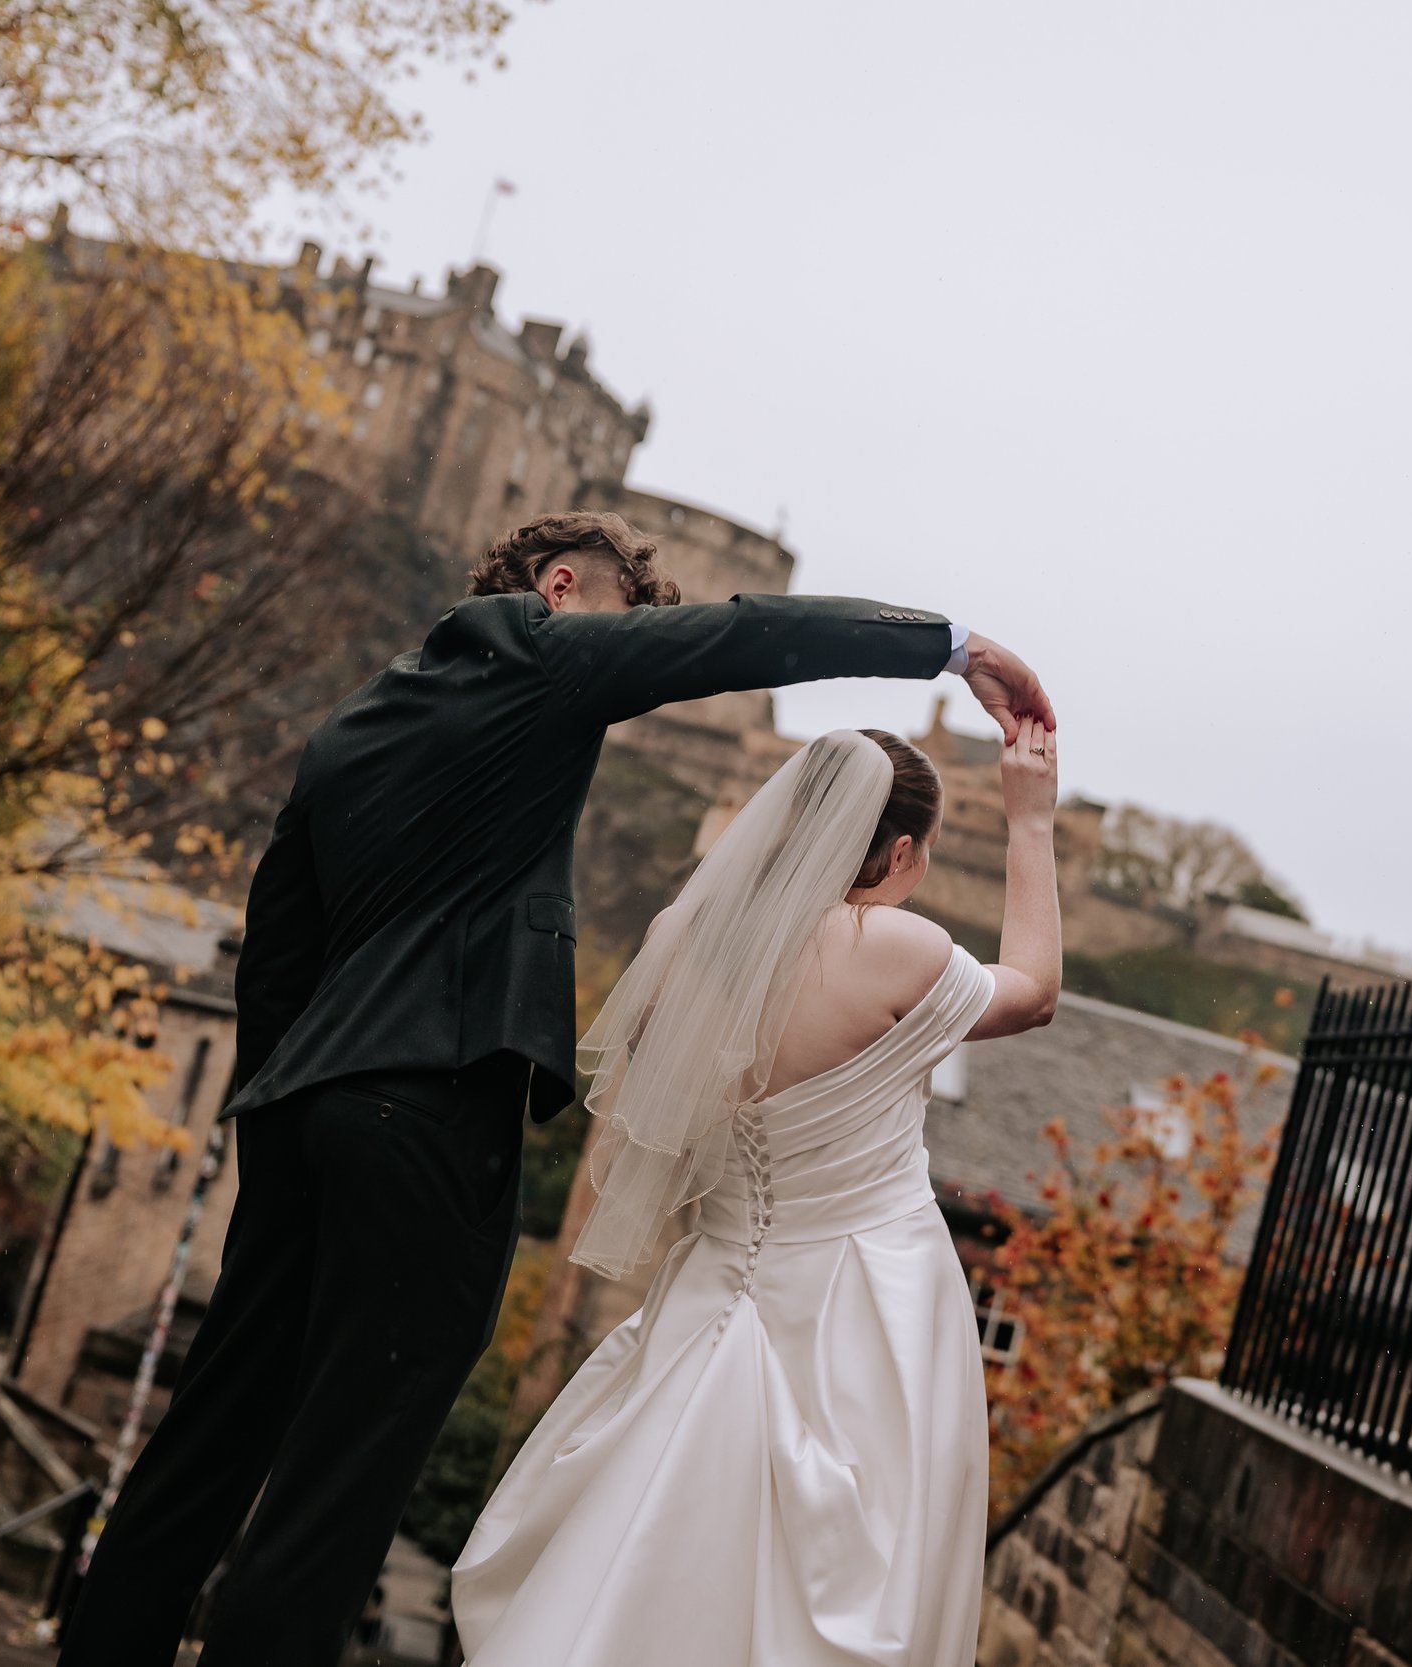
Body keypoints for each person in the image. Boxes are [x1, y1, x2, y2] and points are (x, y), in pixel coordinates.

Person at [55, 511, 1053, 1667]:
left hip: (302, 1107)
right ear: (565, 584)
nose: (630, 649)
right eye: (629, 620)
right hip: (430, 1114)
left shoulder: (350, 726)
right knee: (342, 1471)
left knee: (210, 1431)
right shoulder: (539, 650)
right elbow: (736, 636)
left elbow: (275, 952)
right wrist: (950, 643)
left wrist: (280, 1105)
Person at [451, 719, 1063, 1666]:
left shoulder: (683, 937)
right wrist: (1030, 821)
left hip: (709, 1287)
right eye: (925, 854)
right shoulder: (893, 948)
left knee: (641, 1539)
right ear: (898, 850)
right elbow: (1034, 990)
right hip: (864, 1302)